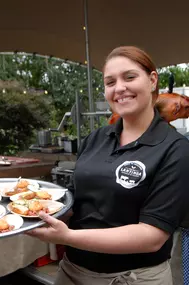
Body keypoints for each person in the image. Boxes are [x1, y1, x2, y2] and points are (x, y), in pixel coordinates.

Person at [28, 46, 189, 285]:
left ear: (153, 80)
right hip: (72, 273)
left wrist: (68, 236)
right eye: (110, 82)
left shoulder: (175, 149)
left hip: (133, 279)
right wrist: (41, 212)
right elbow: (75, 198)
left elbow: (151, 236)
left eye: (130, 77)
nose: (119, 88)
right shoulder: (96, 138)